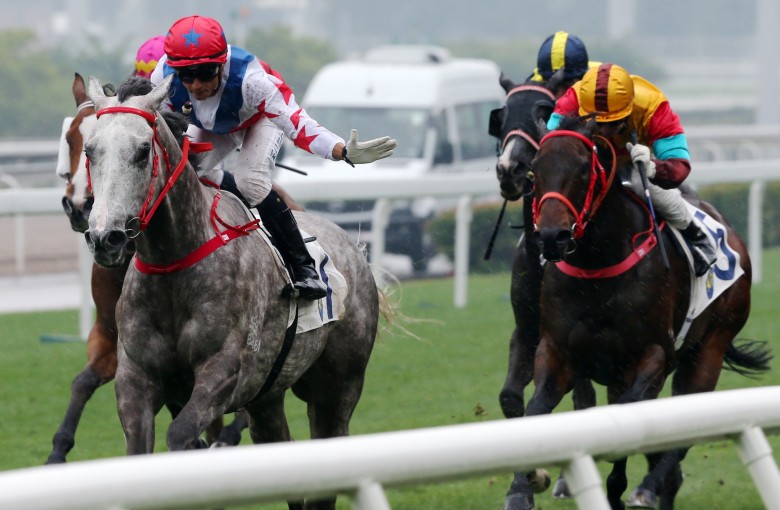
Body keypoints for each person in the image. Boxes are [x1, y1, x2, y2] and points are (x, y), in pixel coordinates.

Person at [150, 15, 396, 300]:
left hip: (259, 120)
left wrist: (343, 151)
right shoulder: (163, 78)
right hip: (214, 126)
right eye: (186, 75)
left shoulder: (252, 80)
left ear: (221, 64)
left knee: (250, 182)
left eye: (205, 72)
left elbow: (297, 123)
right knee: (185, 171)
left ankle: (305, 268)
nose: (195, 85)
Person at [547, 62, 717, 276]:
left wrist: (653, 168)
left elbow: (679, 167)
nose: (606, 132)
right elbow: (551, 152)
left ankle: (696, 237)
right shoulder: (573, 101)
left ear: (629, 110)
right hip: (589, 160)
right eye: (597, 124)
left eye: (614, 123)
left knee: (641, 184)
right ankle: (546, 243)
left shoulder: (654, 106)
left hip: (634, 161)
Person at [527, 31, 596, 99]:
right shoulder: (532, 86)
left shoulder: (598, 85)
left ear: (582, 78)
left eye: (566, 85)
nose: (560, 95)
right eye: (554, 86)